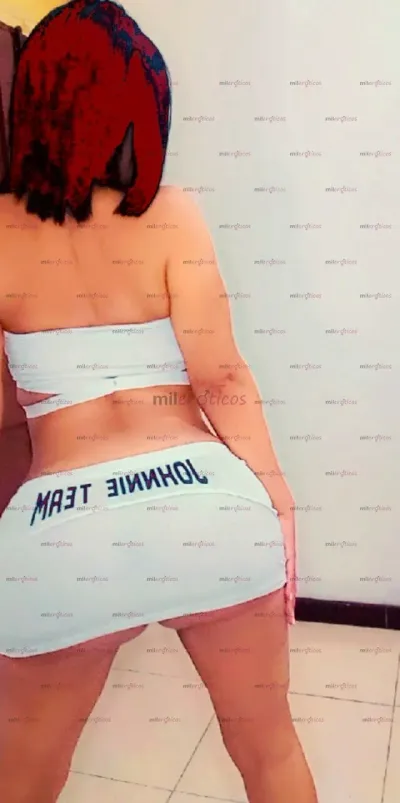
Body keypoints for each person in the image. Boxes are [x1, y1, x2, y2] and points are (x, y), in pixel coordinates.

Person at [0, 2, 317, 802]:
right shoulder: (172, 213)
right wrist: (278, 502)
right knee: (270, 752)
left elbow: (3, 416)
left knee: (21, 780)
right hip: (207, 503)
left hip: (63, 530)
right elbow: (221, 378)